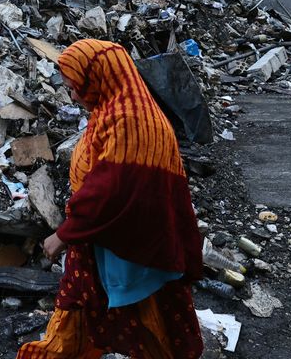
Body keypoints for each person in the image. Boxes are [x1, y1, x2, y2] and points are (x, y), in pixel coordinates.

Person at [18, 39, 205, 359]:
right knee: (86, 312)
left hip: (133, 248)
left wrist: (64, 234)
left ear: (98, 78)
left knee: (149, 321)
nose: (73, 97)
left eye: (75, 88)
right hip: (113, 241)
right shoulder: (115, 109)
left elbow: (112, 189)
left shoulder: (130, 120)